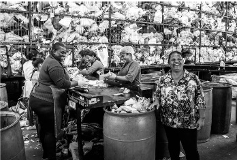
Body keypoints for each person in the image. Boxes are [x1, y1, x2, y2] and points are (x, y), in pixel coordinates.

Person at [29, 42, 85, 160]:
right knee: (50, 131)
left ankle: (46, 154)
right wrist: (78, 82)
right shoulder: (54, 64)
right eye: (61, 52)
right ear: (53, 51)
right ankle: (51, 157)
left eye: (65, 52)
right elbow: (62, 84)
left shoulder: (50, 60)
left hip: (37, 98)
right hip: (45, 101)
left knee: (44, 128)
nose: (64, 54)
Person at [151, 51, 206, 160]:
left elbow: (200, 98)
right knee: (173, 147)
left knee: (191, 151)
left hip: (188, 121)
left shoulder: (193, 78)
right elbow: (157, 94)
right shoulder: (163, 79)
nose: (176, 61)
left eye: (179, 59)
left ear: (183, 61)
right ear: (169, 63)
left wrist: (202, 117)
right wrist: (156, 101)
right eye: (173, 59)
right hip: (169, 120)